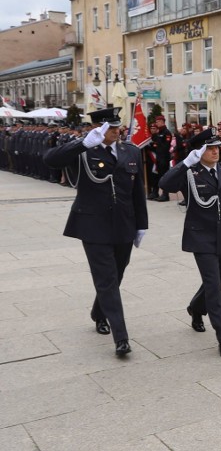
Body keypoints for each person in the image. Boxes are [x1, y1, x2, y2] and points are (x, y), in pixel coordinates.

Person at [43, 107, 148, 357]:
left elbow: (137, 192)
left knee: (117, 275)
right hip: (93, 225)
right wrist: (82, 144)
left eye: (116, 127)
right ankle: (121, 337)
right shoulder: (84, 150)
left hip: (124, 223)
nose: (115, 131)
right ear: (97, 129)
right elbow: (50, 159)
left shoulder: (130, 151)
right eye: (109, 128)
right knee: (107, 279)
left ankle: (98, 312)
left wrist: (142, 223)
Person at [159, 128, 221, 359]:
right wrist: (186, 162)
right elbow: (166, 184)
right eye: (210, 148)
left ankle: (196, 309)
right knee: (214, 286)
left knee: (217, 280)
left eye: (217, 147)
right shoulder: (190, 172)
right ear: (199, 151)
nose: (216, 151)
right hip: (201, 237)